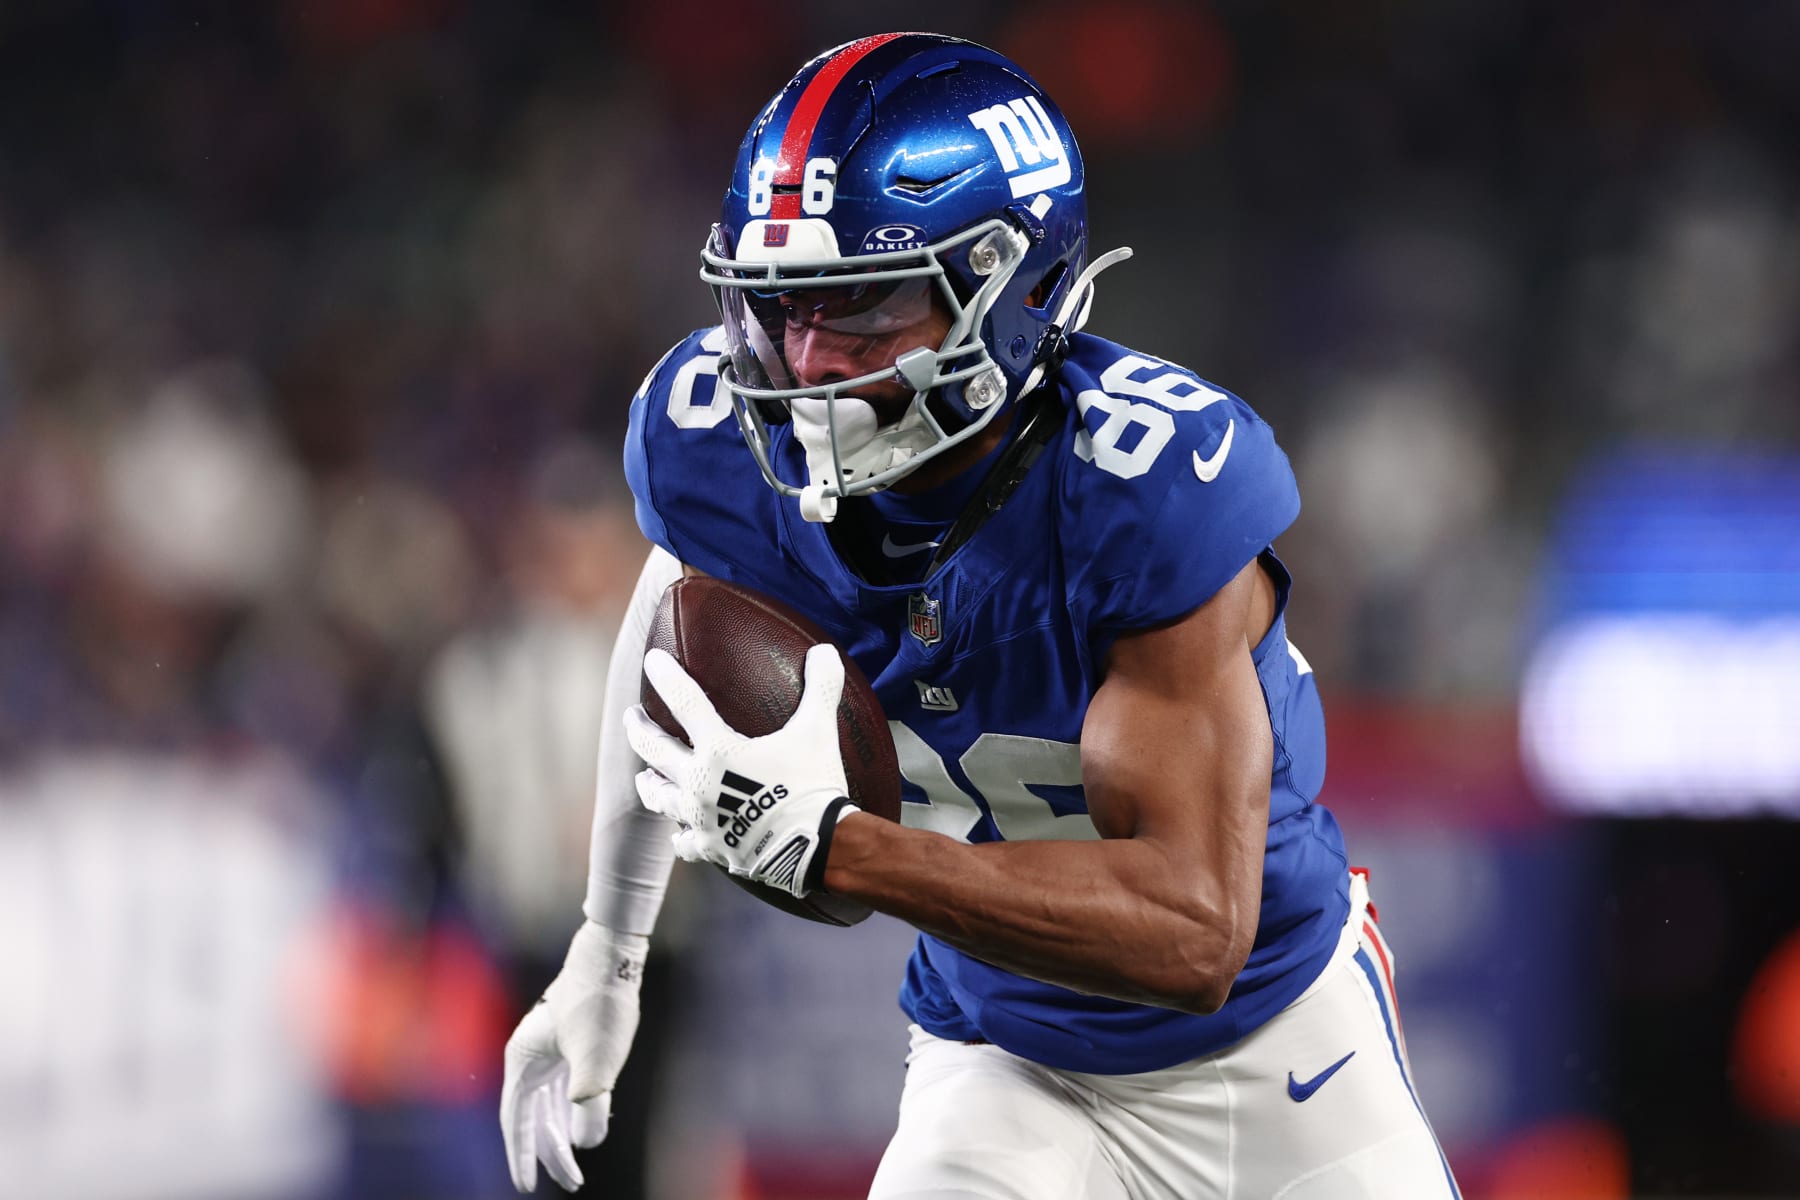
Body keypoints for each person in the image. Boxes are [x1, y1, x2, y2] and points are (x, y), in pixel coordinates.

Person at [500, 32, 1461, 1200]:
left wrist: (847, 851)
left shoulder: (1140, 489)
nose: (807, 361)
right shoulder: (717, 443)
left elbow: (1191, 931)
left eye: (860, 305)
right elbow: (673, 622)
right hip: (1004, 1062)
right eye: (784, 302)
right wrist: (609, 949)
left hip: (1277, 1057)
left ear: (1014, 289)